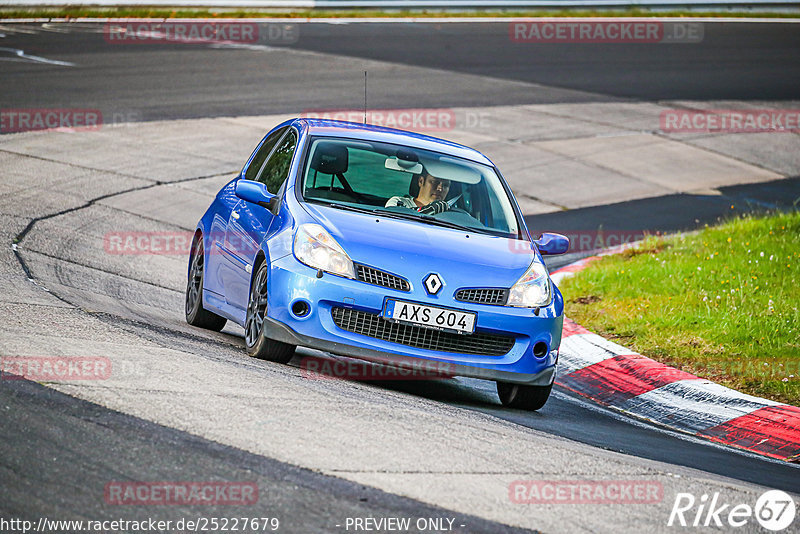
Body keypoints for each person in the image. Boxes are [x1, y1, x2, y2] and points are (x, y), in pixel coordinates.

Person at [385, 170, 452, 215]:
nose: (440, 189)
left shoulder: (450, 214)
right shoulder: (398, 202)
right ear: (421, 181)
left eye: (445, 185)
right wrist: (429, 210)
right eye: (434, 182)